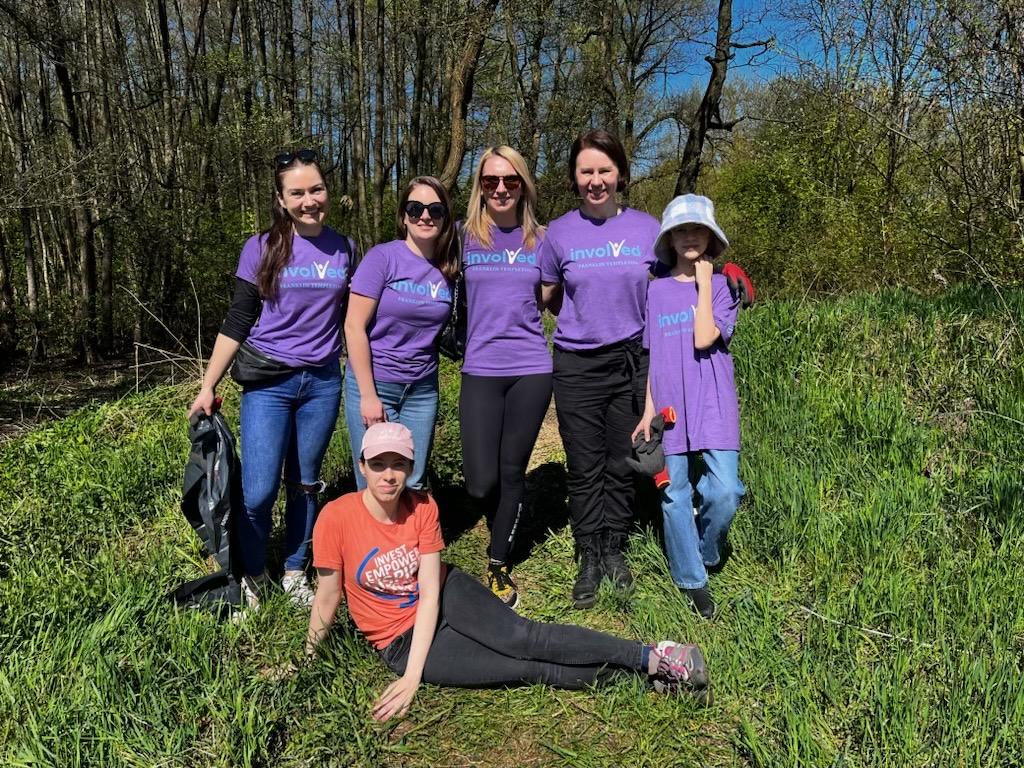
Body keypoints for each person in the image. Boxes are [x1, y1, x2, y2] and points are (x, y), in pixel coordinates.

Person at [304, 421, 710, 720]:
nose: (388, 475)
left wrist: (413, 679)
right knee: (525, 669)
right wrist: (310, 658)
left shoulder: (422, 506)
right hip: (399, 641)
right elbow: (328, 596)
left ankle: (654, 655)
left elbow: (429, 591)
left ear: (410, 467)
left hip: (445, 595)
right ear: (362, 465)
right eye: (378, 464)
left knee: (524, 636)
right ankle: (650, 682)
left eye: (398, 464)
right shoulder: (336, 519)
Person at [188, 149, 355, 610]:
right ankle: (252, 572)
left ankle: (296, 568)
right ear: (281, 199)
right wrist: (208, 385)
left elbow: (353, 322)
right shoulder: (260, 246)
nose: (309, 201)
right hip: (269, 384)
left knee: (305, 482)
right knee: (259, 490)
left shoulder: (345, 248)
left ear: (327, 191)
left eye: (316, 189)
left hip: (322, 382)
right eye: (297, 193)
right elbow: (238, 320)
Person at [539, 130, 660, 608]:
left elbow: (677, 278)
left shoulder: (649, 229)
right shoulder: (557, 233)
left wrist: (722, 282)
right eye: (586, 171)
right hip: (576, 365)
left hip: (631, 360)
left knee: (620, 461)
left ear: (620, 175)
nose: (595, 180)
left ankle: (616, 549)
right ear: (574, 177)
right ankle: (588, 553)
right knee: (584, 465)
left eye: (604, 170)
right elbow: (548, 296)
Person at [632, 194, 745, 620]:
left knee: (726, 491)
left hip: (714, 403)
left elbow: (704, 338)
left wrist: (702, 283)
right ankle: (691, 578)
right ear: (670, 239)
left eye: (698, 229)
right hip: (670, 406)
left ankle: (706, 551)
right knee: (674, 494)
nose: (689, 237)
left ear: (711, 236)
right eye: (681, 230)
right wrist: (647, 410)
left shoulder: (722, 287)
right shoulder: (656, 292)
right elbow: (653, 357)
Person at [459, 146, 552, 608]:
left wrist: (714, 271)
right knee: (480, 481)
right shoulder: (463, 237)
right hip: (480, 368)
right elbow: (411, 260)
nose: (500, 188)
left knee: (512, 470)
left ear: (523, 186)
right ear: (479, 186)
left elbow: (586, 282)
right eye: (491, 181)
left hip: (531, 369)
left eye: (510, 180)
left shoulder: (543, 240)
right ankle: (494, 515)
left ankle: (498, 563)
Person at [343, 176, 458, 491]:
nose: (425, 216)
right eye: (415, 208)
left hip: (422, 389)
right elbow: (353, 326)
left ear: (446, 218)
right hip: (374, 384)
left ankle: (410, 541)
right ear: (403, 215)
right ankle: (372, 542)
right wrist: (368, 396)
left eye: (435, 210)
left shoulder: (450, 267)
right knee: (375, 480)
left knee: (414, 478)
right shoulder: (382, 258)